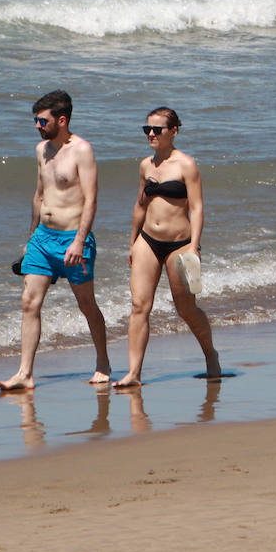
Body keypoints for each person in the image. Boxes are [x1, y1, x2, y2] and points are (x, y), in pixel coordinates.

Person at [0, 90, 110, 390]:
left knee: (86, 304)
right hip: (42, 240)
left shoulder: (82, 150)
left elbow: (91, 200)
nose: (37, 125)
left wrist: (79, 241)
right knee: (29, 302)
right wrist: (31, 236)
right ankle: (25, 374)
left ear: (62, 119)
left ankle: (102, 362)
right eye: (35, 119)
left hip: (73, 239)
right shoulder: (41, 150)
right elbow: (39, 194)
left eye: (42, 120)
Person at [112, 107, 221, 389]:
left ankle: (210, 355)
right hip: (147, 240)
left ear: (173, 132)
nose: (150, 134)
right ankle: (134, 373)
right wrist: (133, 242)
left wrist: (194, 247)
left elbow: (197, 209)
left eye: (157, 129)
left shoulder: (186, 165)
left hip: (180, 245)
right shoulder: (145, 165)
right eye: (146, 129)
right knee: (139, 305)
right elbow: (140, 205)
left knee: (185, 308)